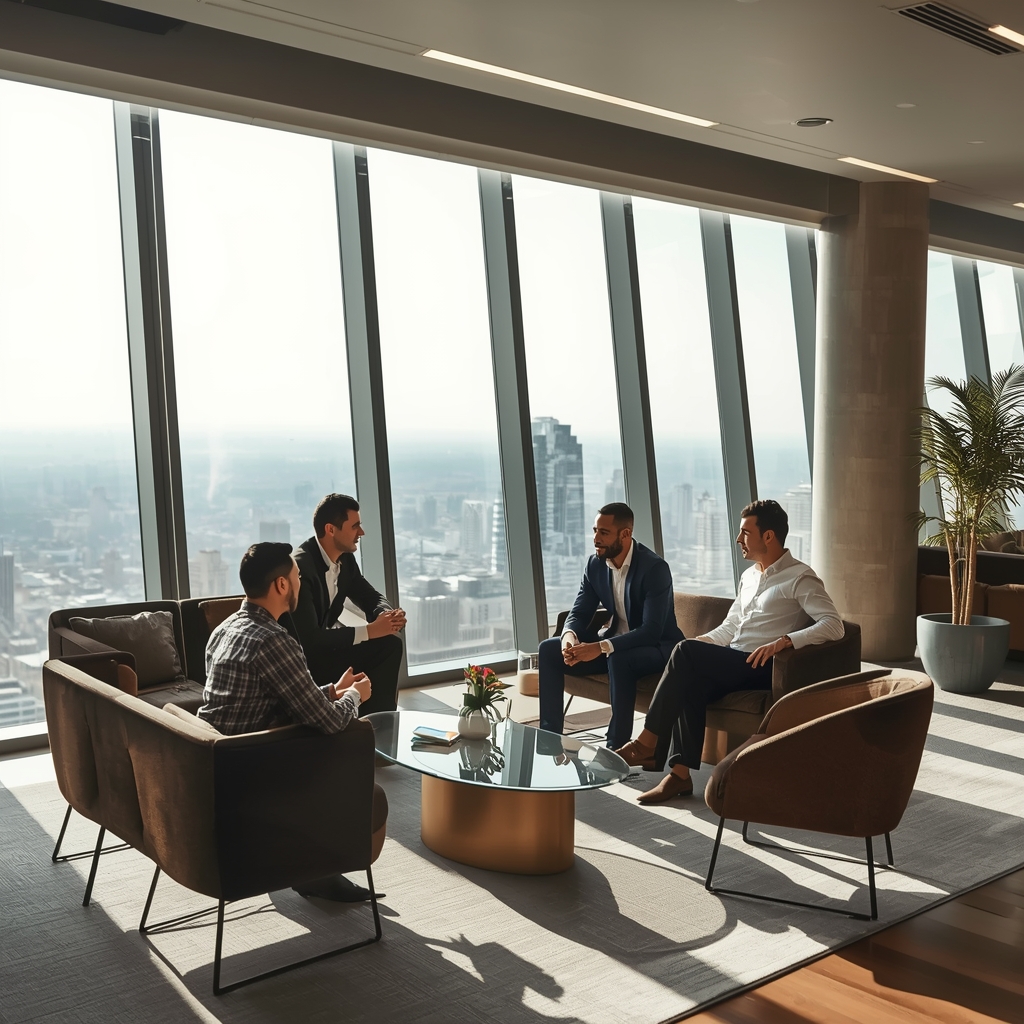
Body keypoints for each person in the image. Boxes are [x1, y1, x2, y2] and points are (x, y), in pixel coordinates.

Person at [616, 498, 844, 804]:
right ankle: (679, 777)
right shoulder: (748, 577)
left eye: (745, 533)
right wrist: (699, 645)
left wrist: (786, 641)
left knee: (685, 654)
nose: (738, 540)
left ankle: (647, 741)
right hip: (736, 659)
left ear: (768, 536)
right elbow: (729, 627)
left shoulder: (800, 577)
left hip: (763, 666)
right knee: (690, 678)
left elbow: (834, 625)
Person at [199, 541, 386, 902]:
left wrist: (332, 689)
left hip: (216, 762)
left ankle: (311, 870)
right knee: (344, 743)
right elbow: (328, 722)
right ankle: (317, 873)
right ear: (282, 586)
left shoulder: (225, 630)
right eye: (297, 577)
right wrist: (354, 696)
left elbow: (274, 695)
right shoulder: (273, 640)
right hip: (251, 773)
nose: (300, 583)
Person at [538, 502, 684, 751]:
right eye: (595, 530)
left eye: (603, 533)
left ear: (625, 534)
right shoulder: (595, 565)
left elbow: (651, 631)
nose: (596, 538)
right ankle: (549, 740)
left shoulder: (655, 569)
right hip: (615, 645)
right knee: (548, 650)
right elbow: (580, 610)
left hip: (657, 648)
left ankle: (616, 747)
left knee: (618, 657)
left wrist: (602, 647)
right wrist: (569, 636)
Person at [285, 493, 405, 717]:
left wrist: (387, 616)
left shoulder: (345, 559)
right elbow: (310, 640)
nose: (361, 532)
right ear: (331, 530)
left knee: (390, 645)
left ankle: (377, 726)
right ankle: (368, 725)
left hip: (326, 652)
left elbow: (368, 595)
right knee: (382, 646)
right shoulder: (302, 567)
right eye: (355, 526)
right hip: (304, 663)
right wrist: (370, 631)